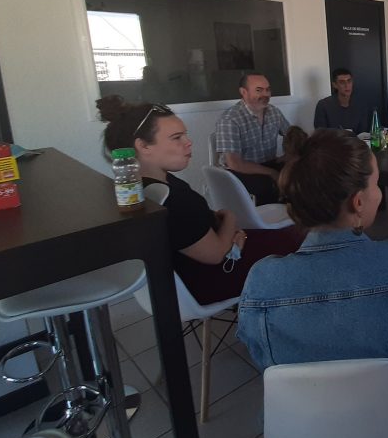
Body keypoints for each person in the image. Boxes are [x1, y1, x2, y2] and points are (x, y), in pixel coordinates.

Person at [236, 129, 388, 411]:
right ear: (358, 202)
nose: (379, 193)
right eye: (377, 184)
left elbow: (262, 357)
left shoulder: (260, 280)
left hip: (306, 429)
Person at [97, 96, 305, 305]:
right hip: (208, 280)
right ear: (143, 146)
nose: (188, 142)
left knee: (294, 237)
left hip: (191, 273)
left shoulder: (139, 189)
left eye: (184, 135)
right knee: (303, 245)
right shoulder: (171, 199)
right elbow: (215, 255)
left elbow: (189, 230)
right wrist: (230, 220)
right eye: (177, 137)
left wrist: (222, 227)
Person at [214, 73, 292, 206]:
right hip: (239, 169)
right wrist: (272, 173)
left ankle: (294, 217)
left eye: (267, 90)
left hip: (267, 163)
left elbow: (292, 136)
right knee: (268, 186)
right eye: (259, 90)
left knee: (300, 174)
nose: (265, 94)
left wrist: (290, 156)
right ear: (243, 92)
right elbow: (235, 164)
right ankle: (265, 223)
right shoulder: (230, 119)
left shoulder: (274, 112)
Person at [313, 68, 370, 135]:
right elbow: (320, 134)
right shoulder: (323, 105)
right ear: (335, 85)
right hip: (332, 144)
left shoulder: (360, 105)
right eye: (342, 82)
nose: (347, 85)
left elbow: (363, 132)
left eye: (349, 81)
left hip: (356, 143)